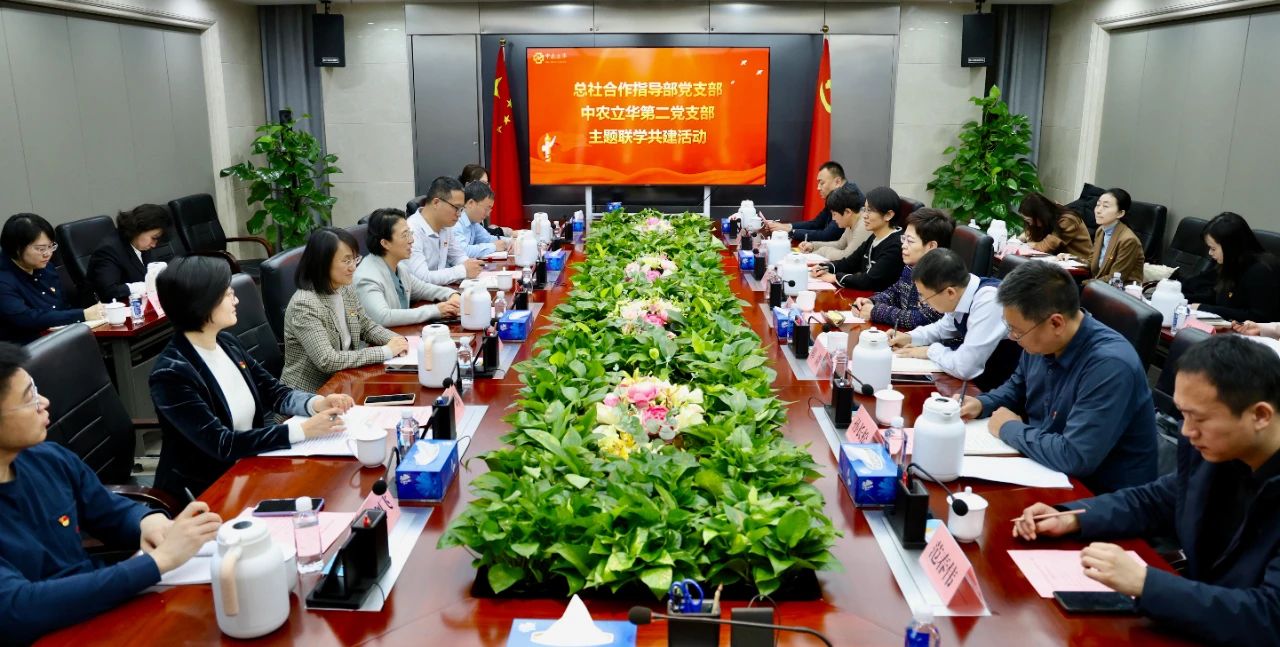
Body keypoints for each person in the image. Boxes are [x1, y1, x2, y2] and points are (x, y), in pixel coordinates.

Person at [1013, 335, 1280, 645]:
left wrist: (1145, 583)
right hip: (1200, 619)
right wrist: (1073, 517)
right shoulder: (1217, 449)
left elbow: (1269, 617)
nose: (1186, 431)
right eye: (1183, 414)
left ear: (1260, 415)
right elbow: (1156, 501)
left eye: (1199, 418)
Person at [0, 342, 223, 643]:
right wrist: (156, 563)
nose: (45, 402)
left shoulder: (47, 458)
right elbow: (19, 608)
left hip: (98, 610)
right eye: (29, 398)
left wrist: (149, 522)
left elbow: (109, 509)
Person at [149, 255, 352, 497]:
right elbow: (223, 444)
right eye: (227, 294)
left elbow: (274, 393)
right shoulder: (172, 373)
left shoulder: (227, 343)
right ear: (202, 302)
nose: (235, 300)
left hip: (250, 466)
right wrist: (303, 430)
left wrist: (317, 403)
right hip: (207, 491)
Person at [961, 260, 1156, 493]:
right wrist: (982, 404)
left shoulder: (1110, 366)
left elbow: (1075, 456)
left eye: (1017, 331)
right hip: (1046, 466)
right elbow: (1016, 387)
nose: (1012, 337)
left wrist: (1009, 428)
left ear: (1056, 323)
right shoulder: (1042, 339)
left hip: (1098, 494)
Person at [282, 227, 408, 394]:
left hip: (346, 381)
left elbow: (366, 325)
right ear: (323, 263)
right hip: (311, 394)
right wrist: (385, 351)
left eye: (355, 259)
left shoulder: (344, 287)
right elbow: (327, 360)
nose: (353, 267)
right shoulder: (305, 305)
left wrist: (398, 341)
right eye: (346, 261)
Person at [888, 248, 1016, 389]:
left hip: (1000, 388)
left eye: (924, 296)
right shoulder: (962, 292)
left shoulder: (989, 301)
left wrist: (929, 351)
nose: (922, 302)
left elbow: (966, 367)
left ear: (950, 292)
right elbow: (941, 329)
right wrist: (909, 337)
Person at [0, 213, 104, 344]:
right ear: (17, 248)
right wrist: (82, 314)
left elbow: (62, 306)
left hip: (58, 338)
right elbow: (26, 318)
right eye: (41, 249)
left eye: (51, 246)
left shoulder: (46, 268)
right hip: (23, 347)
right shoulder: (4, 280)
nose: (48, 254)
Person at [356, 208, 460, 327]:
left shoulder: (399, 266)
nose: (411, 240)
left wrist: (452, 295)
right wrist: (434, 311)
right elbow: (383, 317)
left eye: (410, 233)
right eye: (405, 235)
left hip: (400, 332)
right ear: (385, 243)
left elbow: (423, 289)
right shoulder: (367, 277)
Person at [854, 207, 954, 330]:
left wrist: (875, 311)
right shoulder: (912, 266)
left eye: (910, 241)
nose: (903, 246)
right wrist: (872, 302)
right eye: (904, 239)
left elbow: (921, 319)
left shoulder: (943, 279)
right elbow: (896, 292)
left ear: (931, 246)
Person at [1182, 212, 1280, 323]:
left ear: (1230, 247)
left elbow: (1258, 317)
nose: (1210, 253)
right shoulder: (1231, 263)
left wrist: (1204, 308)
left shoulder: (1261, 271)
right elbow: (1216, 298)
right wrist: (1181, 298)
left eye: (1213, 248)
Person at [810, 185, 903, 291]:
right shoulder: (874, 237)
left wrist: (836, 277)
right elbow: (850, 262)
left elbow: (869, 280)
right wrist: (826, 267)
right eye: (865, 209)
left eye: (870, 211)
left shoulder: (896, 245)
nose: (864, 215)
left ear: (888, 215)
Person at [405, 176, 483, 286]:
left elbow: (458, 256)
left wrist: (471, 265)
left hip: (439, 291)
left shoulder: (445, 227)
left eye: (461, 209)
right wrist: (463, 270)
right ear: (436, 203)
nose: (459, 214)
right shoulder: (411, 231)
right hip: (419, 295)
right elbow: (421, 279)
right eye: (456, 208)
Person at [87, 203, 171, 303]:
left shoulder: (143, 244)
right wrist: (141, 287)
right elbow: (109, 291)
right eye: (154, 238)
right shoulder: (109, 250)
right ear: (139, 228)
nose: (154, 245)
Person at [766, 161, 864, 244]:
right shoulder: (835, 195)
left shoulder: (847, 197)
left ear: (837, 182)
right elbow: (817, 223)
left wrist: (790, 231)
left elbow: (828, 235)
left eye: (822, 183)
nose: (818, 188)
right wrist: (786, 226)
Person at [1084, 188, 1144, 285]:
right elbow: (1092, 261)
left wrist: (1085, 284)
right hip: (1099, 284)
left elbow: (1116, 277)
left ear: (1120, 213)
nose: (1098, 210)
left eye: (1105, 206)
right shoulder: (1101, 231)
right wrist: (1070, 259)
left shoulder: (1128, 240)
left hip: (1122, 290)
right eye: (1098, 205)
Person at [1018, 192, 1091, 258]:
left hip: (1079, 262)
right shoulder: (1046, 221)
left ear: (1040, 216)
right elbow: (1029, 236)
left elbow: (1046, 246)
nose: (1030, 224)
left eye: (1029, 220)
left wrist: (1032, 244)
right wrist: (1026, 236)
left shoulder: (1067, 220)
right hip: (1059, 260)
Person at [451, 181, 509, 258]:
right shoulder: (455, 222)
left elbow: (488, 239)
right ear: (471, 203)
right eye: (486, 209)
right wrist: (494, 247)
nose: (488, 214)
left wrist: (510, 242)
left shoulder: (473, 223)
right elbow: (462, 251)